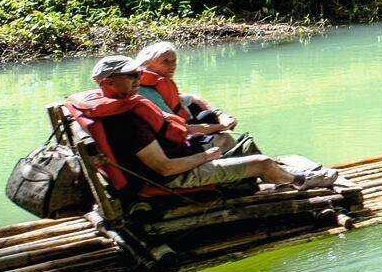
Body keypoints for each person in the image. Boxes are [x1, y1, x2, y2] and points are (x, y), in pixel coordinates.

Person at [70, 56, 338, 196]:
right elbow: (165, 168)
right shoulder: (126, 122)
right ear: (108, 83)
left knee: (228, 140)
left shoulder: (116, 105)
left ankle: (271, 176)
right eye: (131, 75)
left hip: (179, 157)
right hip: (174, 177)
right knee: (262, 161)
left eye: (138, 73)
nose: (139, 78)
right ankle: (297, 180)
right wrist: (206, 156)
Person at [134, 41, 245, 152]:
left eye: (174, 61)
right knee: (223, 135)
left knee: (206, 113)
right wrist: (221, 127)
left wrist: (220, 115)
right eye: (165, 62)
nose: (172, 66)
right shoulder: (145, 91)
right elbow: (180, 128)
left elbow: (193, 98)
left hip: (185, 129)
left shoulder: (159, 83)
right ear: (147, 63)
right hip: (173, 141)